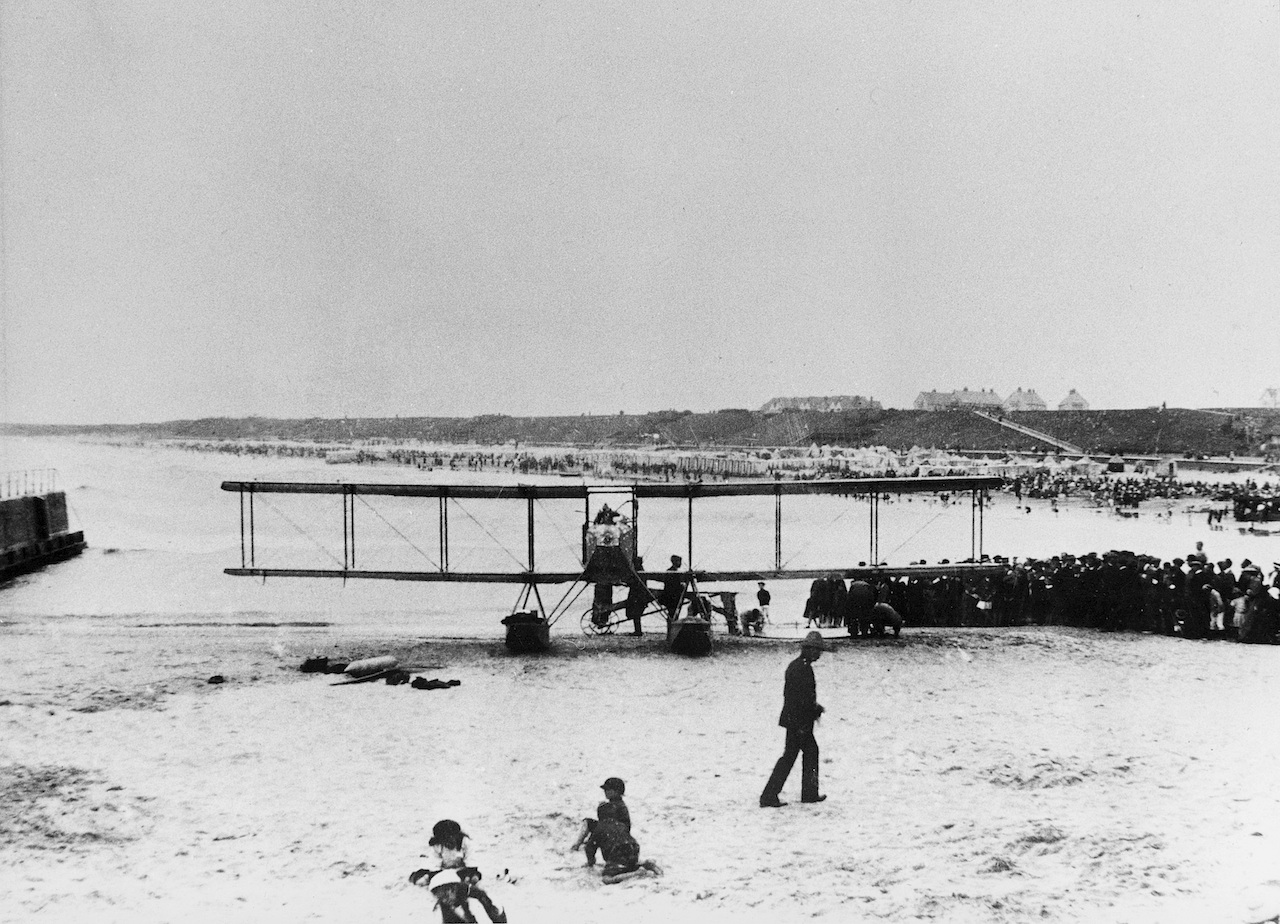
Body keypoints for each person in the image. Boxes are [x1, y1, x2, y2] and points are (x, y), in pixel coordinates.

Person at [760, 630, 834, 808]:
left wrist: (813, 708)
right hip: (799, 721)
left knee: (795, 755)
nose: (819, 654)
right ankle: (784, 794)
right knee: (800, 754)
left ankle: (776, 794)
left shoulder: (798, 666)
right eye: (817, 650)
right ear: (809, 649)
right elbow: (799, 698)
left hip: (795, 719)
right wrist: (812, 710)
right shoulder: (801, 669)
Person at [410, 819, 507, 923]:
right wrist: (434, 874)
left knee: (481, 894)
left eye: (451, 836)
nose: (448, 839)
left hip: (464, 872)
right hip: (445, 874)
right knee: (447, 898)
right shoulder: (438, 845)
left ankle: (496, 916)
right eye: (445, 837)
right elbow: (434, 861)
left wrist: (470, 873)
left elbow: (471, 857)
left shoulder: (464, 842)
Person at [569, 778, 662, 884]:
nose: (605, 792)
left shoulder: (619, 808)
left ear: (616, 791)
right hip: (631, 844)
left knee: (607, 878)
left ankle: (638, 873)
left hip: (616, 848)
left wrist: (591, 862)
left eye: (608, 789)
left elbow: (590, 848)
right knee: (628, 865)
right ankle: (645, 864)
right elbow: (625, 828)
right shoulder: (617, 808)